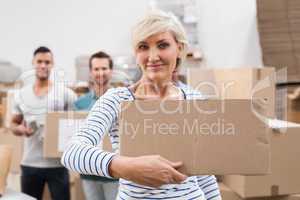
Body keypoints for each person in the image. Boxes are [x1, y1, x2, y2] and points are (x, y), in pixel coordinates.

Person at [62, 10, 221, 200]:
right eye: (143, 46)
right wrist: (126, 167)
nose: (153, 56)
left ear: (179, 48)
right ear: (136, 54)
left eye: (162, 45)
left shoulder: (195, 100)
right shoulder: (116, 100)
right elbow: (72, 152)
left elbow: (204, 173)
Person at [10, 46, 77, 200]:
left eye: (47, 62)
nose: (43, 65)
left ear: (52, 65)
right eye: (39, 61)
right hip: (30, 164)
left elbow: (78, 121)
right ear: (33, 63)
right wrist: (20, 129)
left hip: (58, 165)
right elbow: (13, 124)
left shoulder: (65, 94)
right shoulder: (21, 95)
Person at [74, 51, 119, 200]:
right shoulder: (80, 104)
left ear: (111, 71)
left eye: (104, 68)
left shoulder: (123, 101)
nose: (101, 72)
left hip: (114, 172)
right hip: (89, 171)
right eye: (96, 69)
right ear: (91, 72)